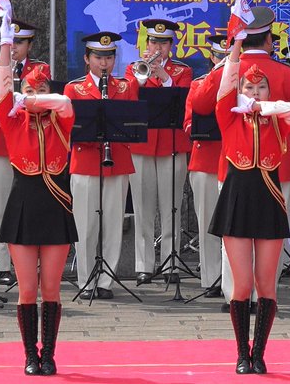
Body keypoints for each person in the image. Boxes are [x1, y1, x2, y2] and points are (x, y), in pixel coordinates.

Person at [189, 7, 290, 311]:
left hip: (233, 168)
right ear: (269, 40)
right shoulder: (287, 73)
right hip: (278, 168)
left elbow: (200, 103)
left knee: (233, 233)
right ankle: (265, 296)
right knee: (270, 234)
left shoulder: (226, 70)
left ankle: (235, 297)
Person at [0, 14, 78, 376]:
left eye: (41, 89)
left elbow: (65, 102)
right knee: (27, 289)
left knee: (51, 289)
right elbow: (0, 89)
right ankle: (30, 354)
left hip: (56, 204)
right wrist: (5, 45)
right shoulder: (12, 120)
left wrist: (35, 99)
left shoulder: (62, 118)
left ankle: (50, 354)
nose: (35, 95)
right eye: (29, 89)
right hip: (24, 205)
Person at [210, 38, 290, 374]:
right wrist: (235, 49)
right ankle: (241, 353)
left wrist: (265, 107)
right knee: (242, 284)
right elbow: (226, 83)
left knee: (266, 283)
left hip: (269, 199)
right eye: (250, 88)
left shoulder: (278, 118)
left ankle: (259, 352)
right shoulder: (229, 116)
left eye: (261, 88)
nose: (255, 93)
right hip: (237, 199)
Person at [64, 32, 138, 300]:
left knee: (113, 224)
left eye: (109, 57)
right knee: (85, 225)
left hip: (117, 161)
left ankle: (106, 281)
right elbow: (70, 127)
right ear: (87, 59)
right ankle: (85, 280)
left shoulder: (125, 87)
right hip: (85, 162)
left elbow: (132, 125)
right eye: (98, 57)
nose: (104, 63)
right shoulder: (74, 89)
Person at [0, 19, 50, 288]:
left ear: (29, 45)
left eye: (19, 42)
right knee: (0, 206)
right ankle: (1, 265)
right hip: (1, 144)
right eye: (10, 42)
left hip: (30, 144)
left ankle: (29, 263)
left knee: (31, 205)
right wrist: (8, 73)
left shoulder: (41, 69)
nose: (14, 48)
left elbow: (43, 99)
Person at [126, 19, 193, 286]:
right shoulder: (133, 69)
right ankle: (143, 265)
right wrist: (142, 75)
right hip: (142, 145)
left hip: (171, 145)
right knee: (142, 207)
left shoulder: (182, 71)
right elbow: (129, 97)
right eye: (153, 42)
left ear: (170, 46)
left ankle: (170, 263)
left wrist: (164, 77)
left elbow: (185, 101)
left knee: (171, 206)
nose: (157, 48)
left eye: (163, 43)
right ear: (146, 43)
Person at [183, 34, 231, 300]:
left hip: (233, 160)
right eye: (219, 56)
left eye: (228, 56)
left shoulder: (240, 83)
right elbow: (189, 122)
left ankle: (233, 278)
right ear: (212, 57)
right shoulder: (200, 83)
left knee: (233, 226)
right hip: (205, 161)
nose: (223, 60)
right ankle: (212, 278)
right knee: (208, 224)